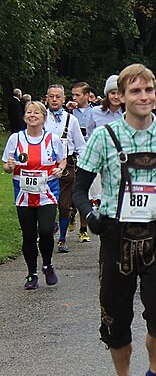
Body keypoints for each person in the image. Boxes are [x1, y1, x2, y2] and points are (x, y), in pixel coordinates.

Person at [72, 63, 156, 376]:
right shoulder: (102, 137)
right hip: (116, 235)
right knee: (114, 317)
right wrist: (91, 216)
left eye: (149, 90)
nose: (144, 97)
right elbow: (79, 187)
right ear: (121, 96)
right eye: (136, 91)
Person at [2, 101, 67, 289]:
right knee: (28, 235)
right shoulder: (16, 139)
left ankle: (47, 265)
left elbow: (61, 161)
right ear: (24, 116)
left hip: (47, 194)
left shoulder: (52, 139)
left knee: (46, 230)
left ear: (43, 118)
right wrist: (10, 167)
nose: (32, 115)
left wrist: (59, 169)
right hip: (23, 195)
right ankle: (32, 274)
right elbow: (6, 165)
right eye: (29, 112)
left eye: (36, 113)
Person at [45, 84, 87, 251]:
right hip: (44, 166)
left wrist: (85, 166)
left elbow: (80, 146)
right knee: (45, 204)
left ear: (64, 99)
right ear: (46, 98)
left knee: (64, 205)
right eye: (51, 96)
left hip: (67, 166)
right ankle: (49, 227)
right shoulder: (41, 118)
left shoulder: (72, 120)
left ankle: (62, 239)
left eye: (58, 96)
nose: (54, 100)